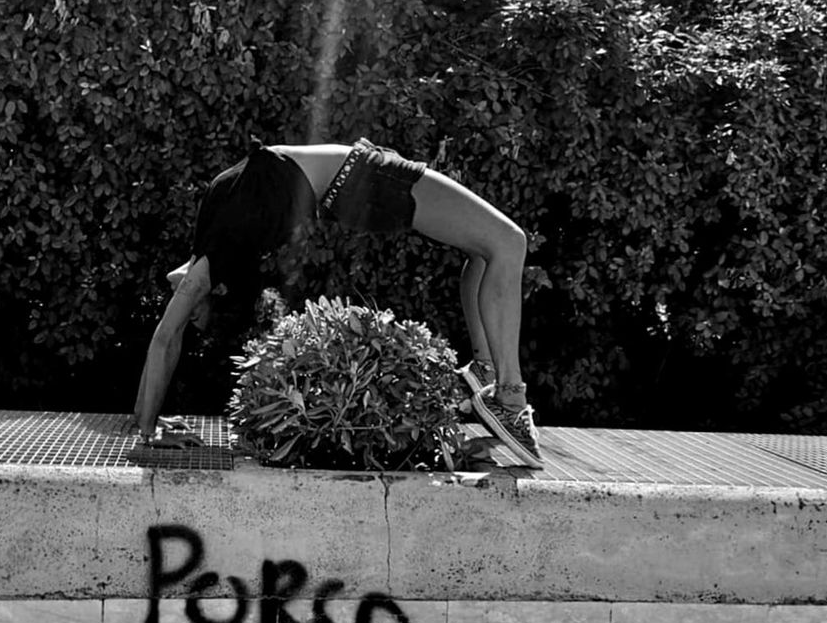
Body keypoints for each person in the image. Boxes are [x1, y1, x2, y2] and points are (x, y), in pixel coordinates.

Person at [133, 138, 541, 462]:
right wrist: (148, 433)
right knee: (509, 243)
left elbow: (164, 337)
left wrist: (146, 428)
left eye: (193, 319)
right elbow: (164, 339)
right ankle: (508, 395)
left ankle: (486, 373)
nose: (189, 317)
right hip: (364, 181)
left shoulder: (209, 253)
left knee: (489, 251)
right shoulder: (213, 247)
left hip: (363, 179)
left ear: (213, 296)